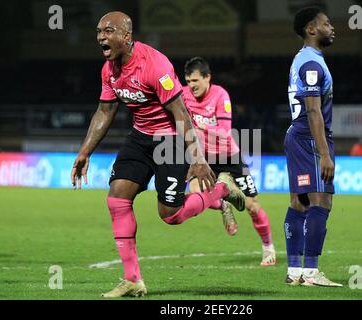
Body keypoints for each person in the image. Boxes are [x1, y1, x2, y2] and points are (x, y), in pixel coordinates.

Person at [70, 11, 246, 298]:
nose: (101, 36)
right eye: (98, 31)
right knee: (117, 197)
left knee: (170, 215)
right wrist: (84, 152)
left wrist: (198, 158)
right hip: (140, 137)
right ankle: (133, 280)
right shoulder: (109, 70)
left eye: (108, 31)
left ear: (126, 36)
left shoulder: (155, 65)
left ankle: (221, 190)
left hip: (171, 140)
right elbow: (105, 111)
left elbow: (181, 114)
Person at [182, 57, 276, 266]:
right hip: (204, 159)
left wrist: (200, 126)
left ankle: (268, 247)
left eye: (196, 80)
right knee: (197, 194)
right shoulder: (184, 95)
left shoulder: (220, 95)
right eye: (188, 81)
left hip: (229, 157)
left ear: (208, 78)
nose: (192, 86)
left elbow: (225, 132)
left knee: (252, 206)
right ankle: (224, 202)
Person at [283, 7, 342, 287]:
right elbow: (314, 110)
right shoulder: (311, 64)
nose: (332, 28)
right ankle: (312, 272)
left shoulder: (301, 59)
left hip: (296, 134)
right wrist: (325, 153)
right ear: (311, 29)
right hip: (310, 137)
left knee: (299, 202)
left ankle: (295, 271)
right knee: (322, 202)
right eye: (327, 24)